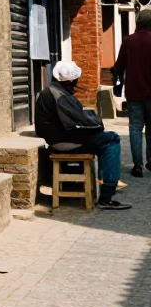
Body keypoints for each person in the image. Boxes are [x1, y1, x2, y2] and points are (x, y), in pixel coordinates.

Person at [34, 60, 131, 210]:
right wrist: (97, 125)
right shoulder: (59, 95)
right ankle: (107, 194)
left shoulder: (52, 90)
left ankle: (102, 182)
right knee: (111, 139)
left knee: (103, 139)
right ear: (71, 80)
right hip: (63, 140)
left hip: (60, 137)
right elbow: (79, 119)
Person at [113, 8, 151, 178]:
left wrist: (116, 79)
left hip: (134, 92)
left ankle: (137, 165)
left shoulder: (128, 41)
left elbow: (119, 66)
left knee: (135, 127)